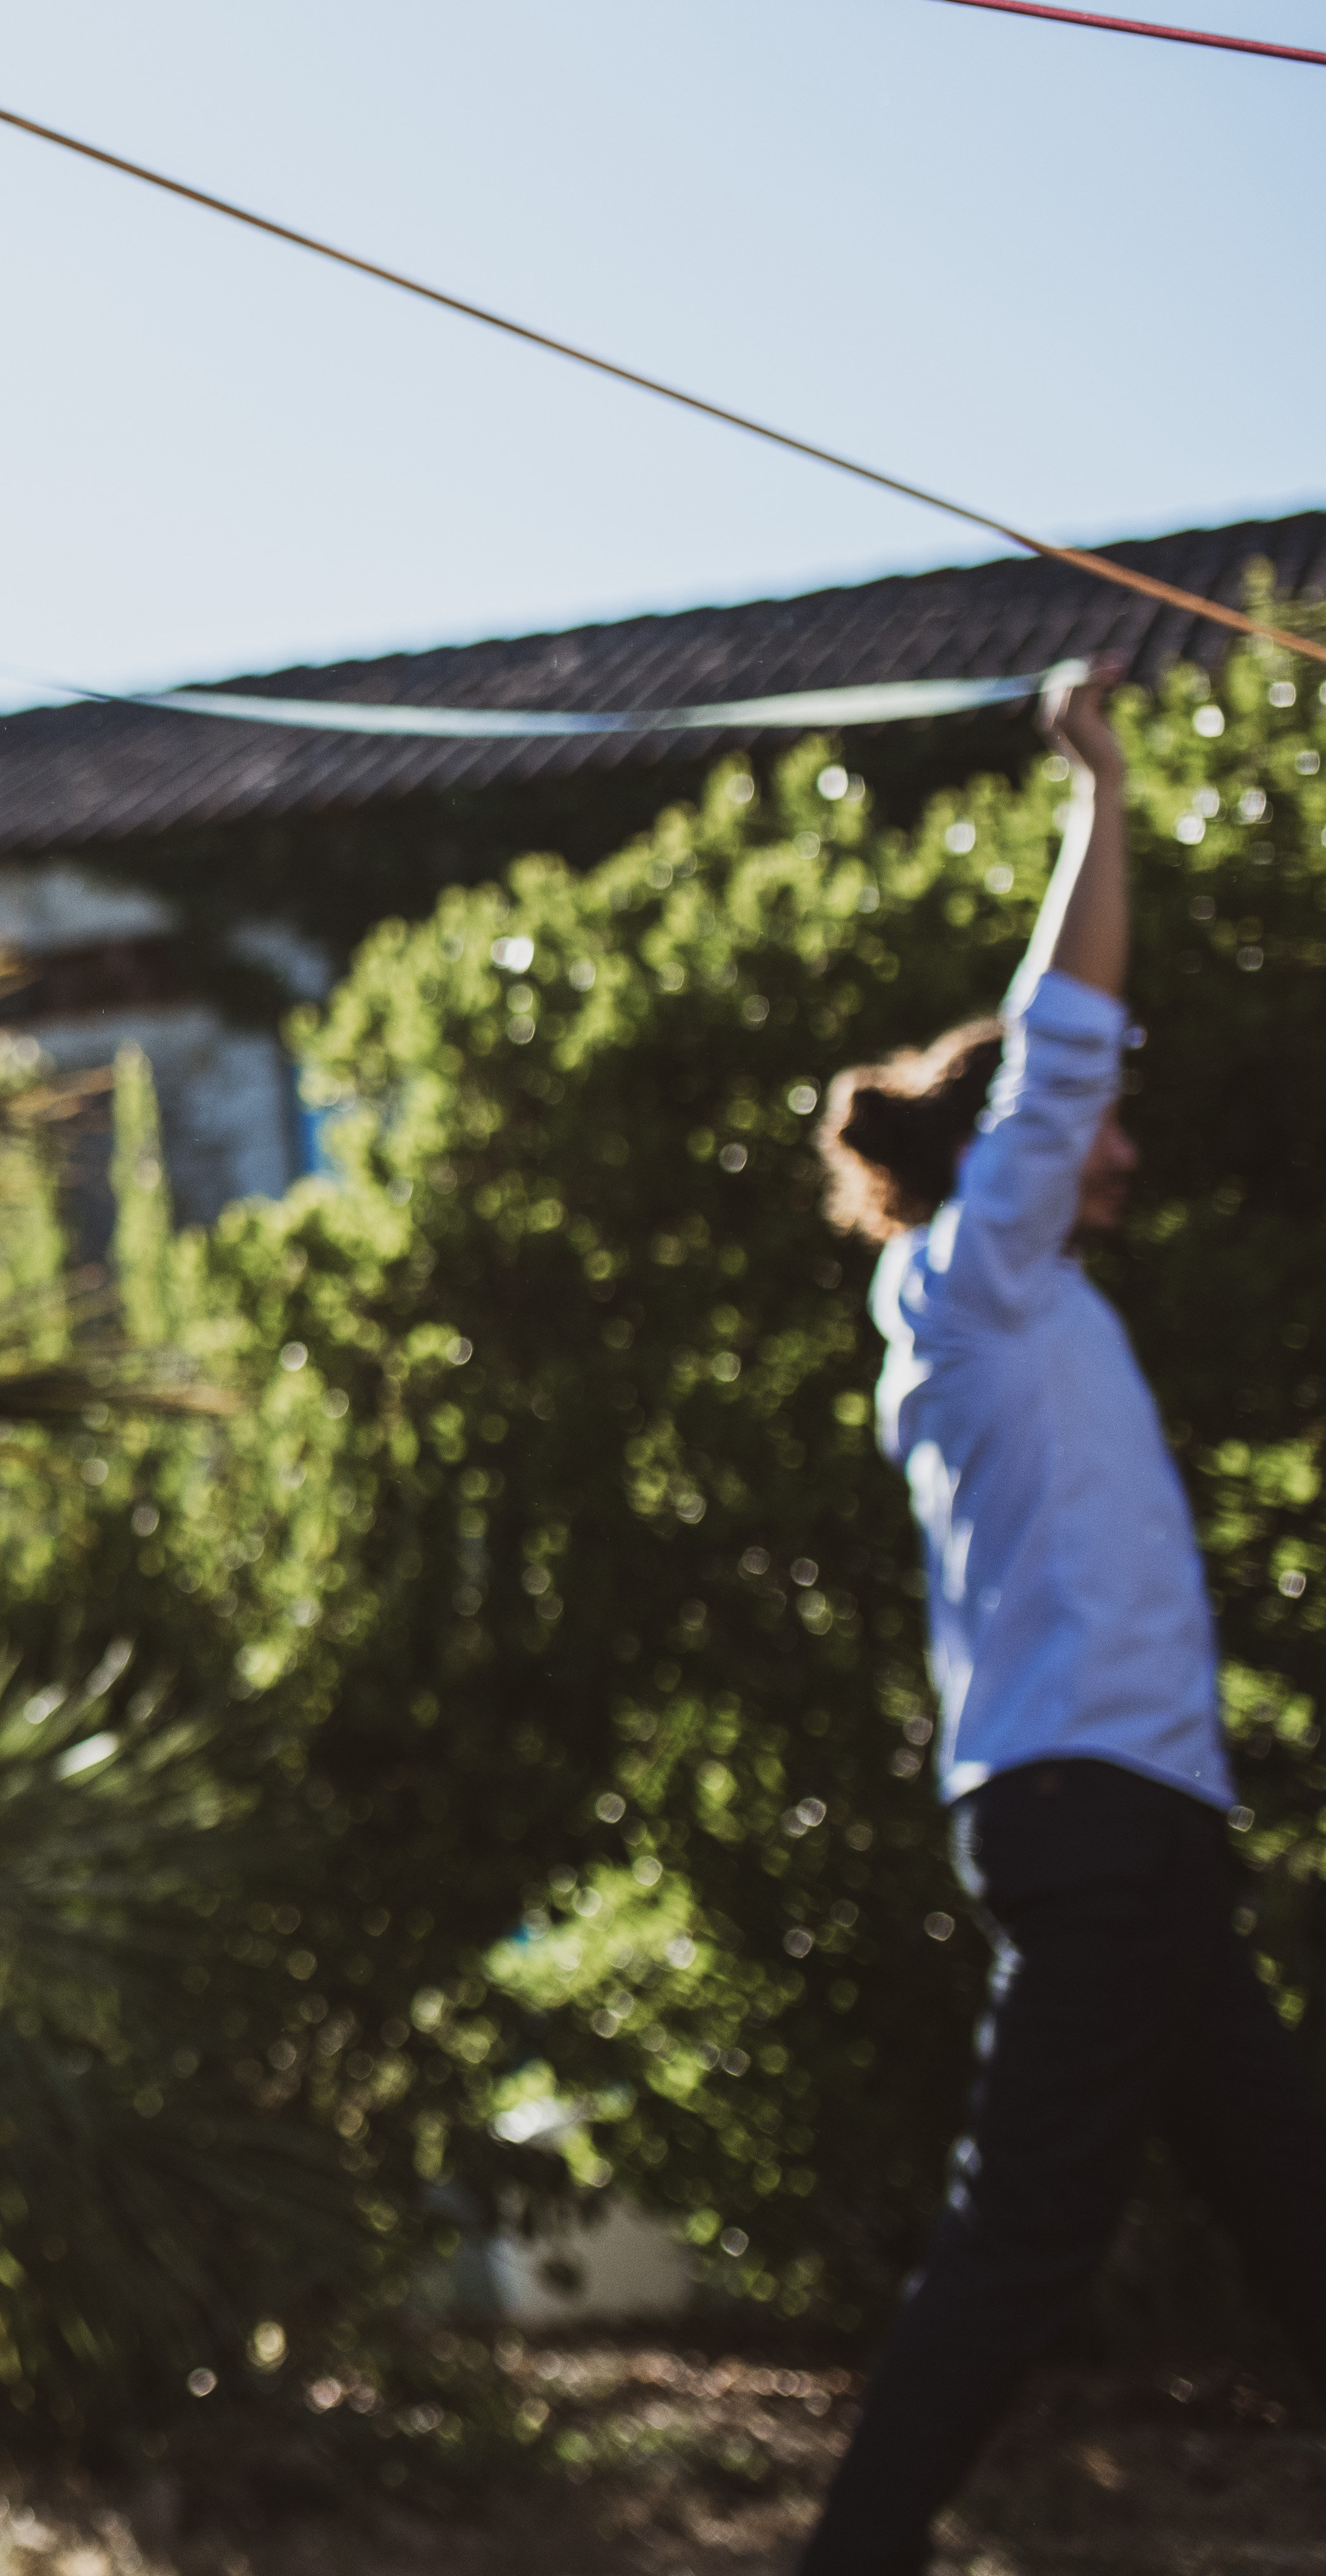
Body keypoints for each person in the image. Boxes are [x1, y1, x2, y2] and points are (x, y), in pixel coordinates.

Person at [795, 662, 1326, 2573]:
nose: (1116, 1146)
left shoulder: (1045, 1306)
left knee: (1290, 2211)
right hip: (1092, 1818)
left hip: (1141, 1824)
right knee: (1023, 2231)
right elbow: (1066, 1032)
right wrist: (1097, 781)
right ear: (994, 1150)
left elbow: (1075, 1067)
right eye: (1077, 1130)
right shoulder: (967, 1282)